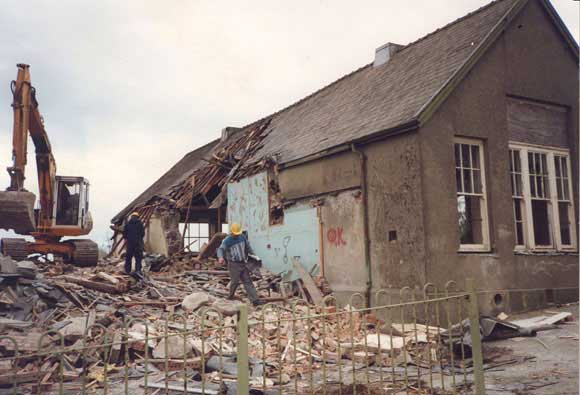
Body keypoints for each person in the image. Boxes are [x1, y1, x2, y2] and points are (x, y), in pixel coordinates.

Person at [217, 223, 265, 306]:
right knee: (235, 281)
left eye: (237, 234)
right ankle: (230, 296)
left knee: (248, 281)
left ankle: (255, 300)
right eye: (235, 234)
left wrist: (254, 256)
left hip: (243, 263)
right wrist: (220, 257)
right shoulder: (227, 240)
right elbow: (220, 249)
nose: (236, 235)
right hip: (233, 264)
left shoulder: (242, 237)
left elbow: (248, 247)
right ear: (231, 232)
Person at [123, 212, 145, 277]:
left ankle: (127, 271)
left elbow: (124, 235)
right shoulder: (140, 223)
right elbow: (143, 233)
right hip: (138, 243)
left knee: (128, 257)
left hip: (130, 244)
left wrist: (128, 238)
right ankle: (138, 270)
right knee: (138, 258)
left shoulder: (127, 224)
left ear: (131, 217)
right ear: (137, 217)